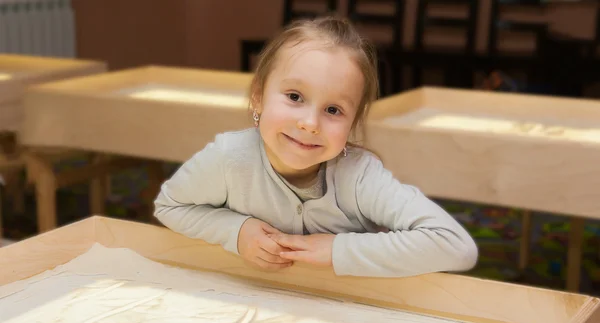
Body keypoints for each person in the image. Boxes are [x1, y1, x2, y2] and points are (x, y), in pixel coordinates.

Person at [154, 16, 478, 277]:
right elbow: (170, 206)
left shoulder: (359, 175)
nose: (310, 123)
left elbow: (455, 246)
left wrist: (339, 251)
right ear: (258, 96)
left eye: (333, 110)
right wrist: (235, 231)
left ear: (353, 123)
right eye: (294, 97)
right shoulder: (228, 157)